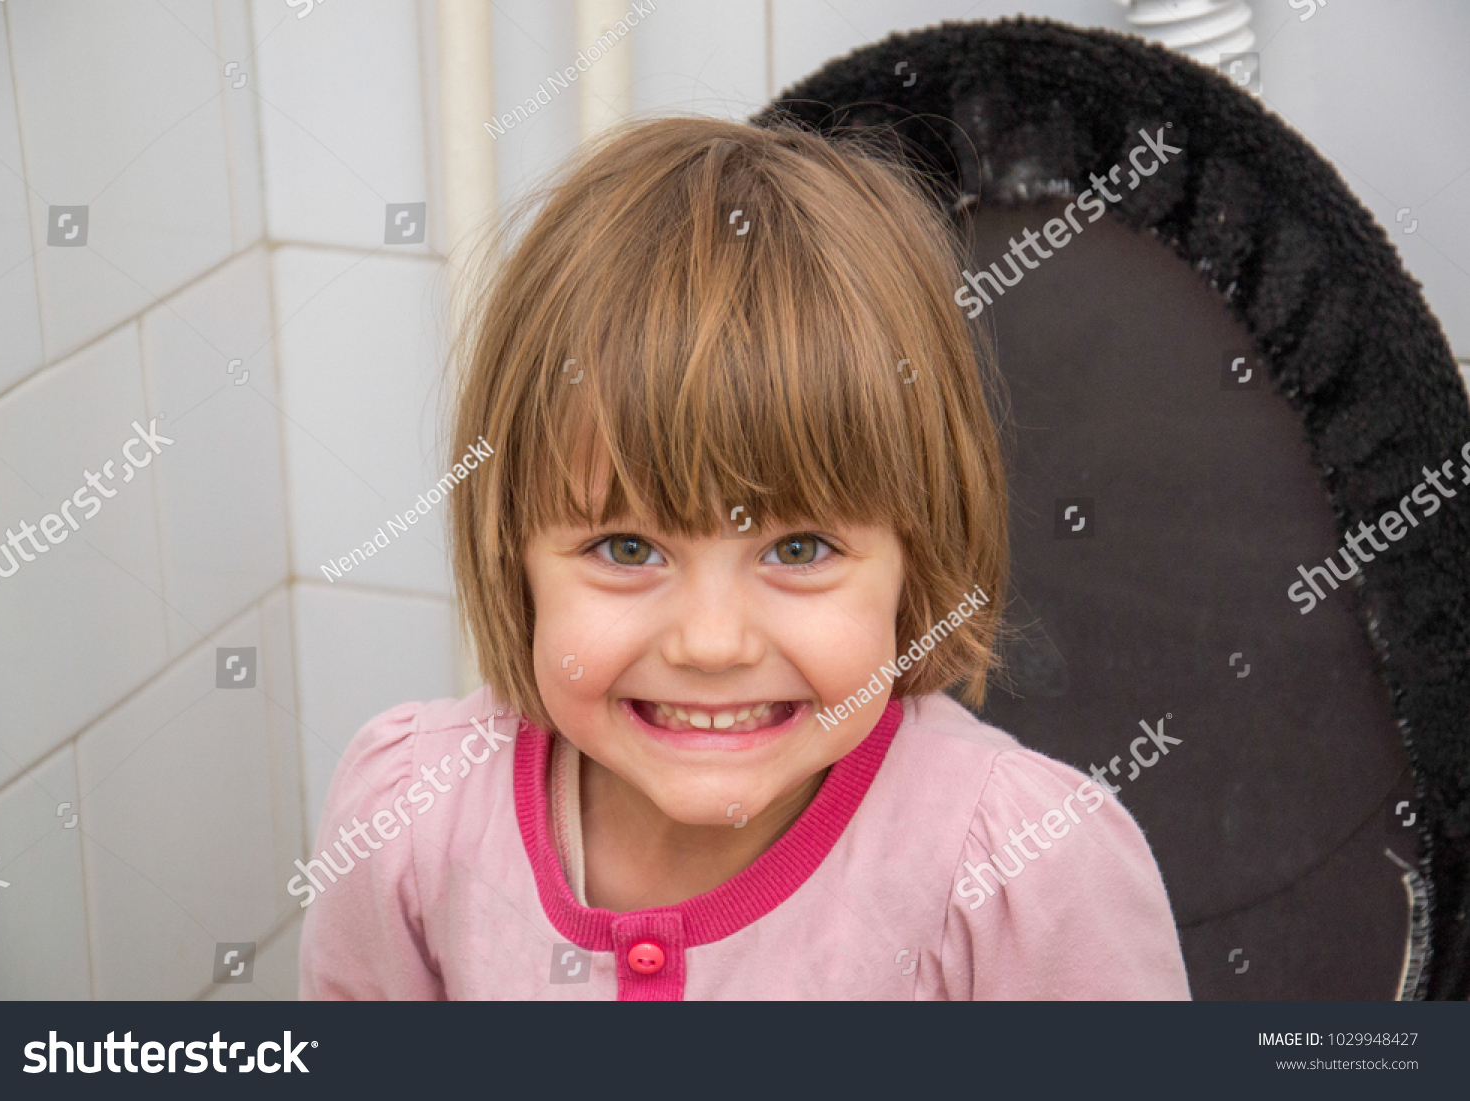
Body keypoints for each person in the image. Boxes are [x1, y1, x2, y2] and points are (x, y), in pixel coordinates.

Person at [297, 116, 1189, 1000]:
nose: (711, 643)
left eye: (798, 548)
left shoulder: (1023, 877)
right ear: (512, 555)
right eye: (627, 547)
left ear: (917, 558)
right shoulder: (410, 818)